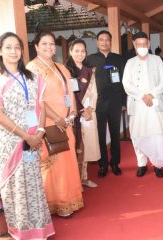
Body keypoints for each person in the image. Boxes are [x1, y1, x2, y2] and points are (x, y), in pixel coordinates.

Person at [0, 32, 54, 239]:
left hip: (32, 140)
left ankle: (40, 228)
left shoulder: (32, 77)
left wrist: (39, 132)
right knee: (16, 186)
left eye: (17, 47)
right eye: (8, 47)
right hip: (9, 141)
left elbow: (40, 106)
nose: (13, 51)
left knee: (33, 181)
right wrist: (25, 136)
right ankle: (22, 231)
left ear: (22, 50)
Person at [27, 31, 83, 217]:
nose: (49, 47)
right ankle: (55, 203)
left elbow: (69, 92)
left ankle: (69, 199)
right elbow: (38, 101)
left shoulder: (61, 67)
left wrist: (72, 112)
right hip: (48, 123)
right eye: (44, 44)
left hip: (66, 121)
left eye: (52, 44)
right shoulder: (32, 69)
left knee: (68, 160)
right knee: (53, 163)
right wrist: (57, 118)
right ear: (36, 46)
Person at [122, 32, 163, 178]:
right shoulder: (130, 63)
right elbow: (126, 84)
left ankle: (158, 164)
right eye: (138, 44)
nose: (142, 47)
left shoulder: (157, 60)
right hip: (137, 103)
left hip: (154, 103)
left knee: (157, 135)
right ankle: (141, 164)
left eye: (144, 44)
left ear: (148, 44)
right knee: (138, 134)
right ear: (135, 46)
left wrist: (151, 95)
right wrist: (142, 96)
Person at [88, 30, 126, 177]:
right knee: (100, 136)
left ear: (111, 42)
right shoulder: (90, 60)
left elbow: (123, 82)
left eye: (107, 40)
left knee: (116, 135)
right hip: (98, 104)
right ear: (97, 43)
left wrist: (124, 102)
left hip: (116, 102)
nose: (104, 42)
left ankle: (115, 163)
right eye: (101, 40)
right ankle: (103, 164)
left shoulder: (118, 59)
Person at [65, 39, 100, 188]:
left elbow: (94, 92)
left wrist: (90, 109)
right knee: (75, 147)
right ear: (70, 52)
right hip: (73, 114)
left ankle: (84, 177)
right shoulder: (66, 71)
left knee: (86, 147)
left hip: (88, 114)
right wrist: (77, 111)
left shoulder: (89, 70)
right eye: (77, 51)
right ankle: (74, 182)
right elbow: (67, 95)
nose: (80, 54)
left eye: (83, 51)